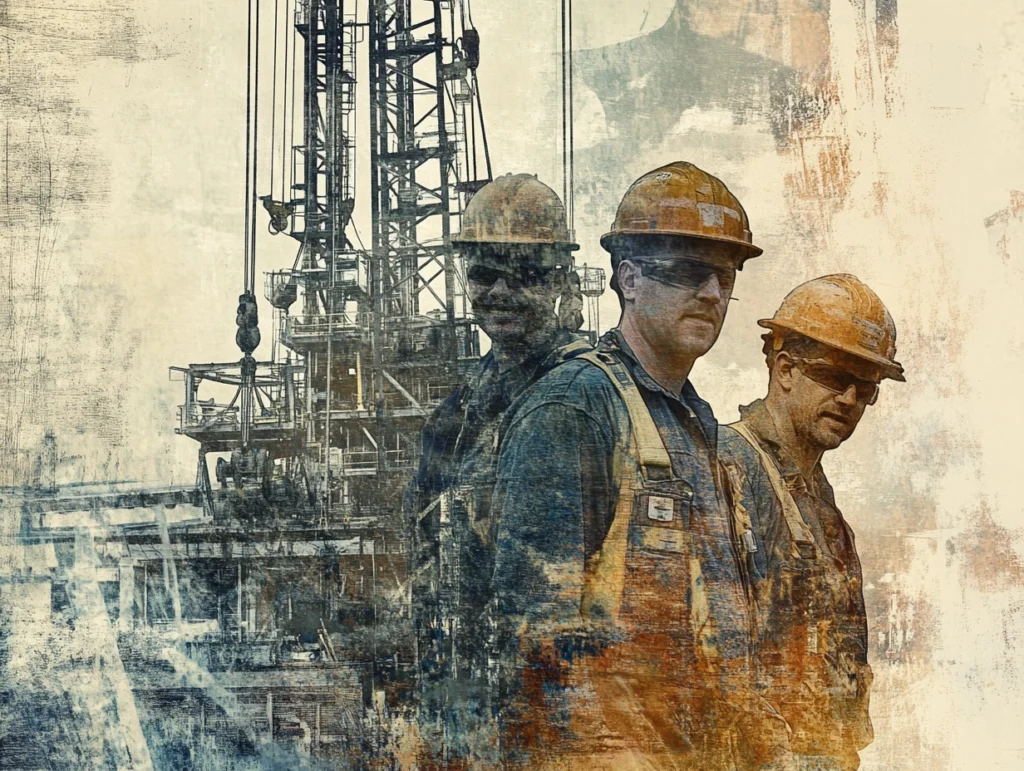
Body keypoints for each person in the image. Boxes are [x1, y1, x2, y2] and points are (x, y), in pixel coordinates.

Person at [489, 161, 792, 769]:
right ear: (628, 277)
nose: (710, 293)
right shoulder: (574, 410)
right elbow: (533, 646)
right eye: (686, 272)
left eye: (724, 277)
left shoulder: (698, 428)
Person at [405, 173, 590, 768]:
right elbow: (427, 553)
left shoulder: (591, 398)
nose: (503, 292)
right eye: (485, 275)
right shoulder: (459, 412)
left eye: (527, 274)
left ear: (563, 280)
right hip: (472, 706)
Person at [719, 274, 905, 770]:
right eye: (833, 377)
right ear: (784, 369)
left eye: (865, 388)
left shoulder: (820, 501)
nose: (849, 399)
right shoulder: (727, 467)